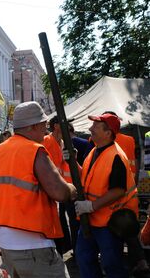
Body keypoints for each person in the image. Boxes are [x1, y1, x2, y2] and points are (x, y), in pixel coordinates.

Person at [0, 101, 76, 278]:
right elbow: (59, 192)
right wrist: (72, 189)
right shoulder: (35, 150)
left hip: (7, 240)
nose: (45, 129)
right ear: (32, 126)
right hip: (32, 242)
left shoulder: (1, 149)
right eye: (43, 125)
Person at [74, 113, 140, 278]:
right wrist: (73, 162)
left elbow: (118, 190)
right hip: (90, 219)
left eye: (96, 126)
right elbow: (88, 177)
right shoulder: (95, 151)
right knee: (84, 259)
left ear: (108, 133)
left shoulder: (116, 156)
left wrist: (90, 206)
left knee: (112, 266)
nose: (90, 128)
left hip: (107, 223)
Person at [43, 116, 77, 256]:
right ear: (56, 126)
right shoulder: (46, 141)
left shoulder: (62, 143)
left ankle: (66, 247)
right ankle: (58, 250)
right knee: (56, 220)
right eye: (66, 125)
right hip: (51, 189)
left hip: (62, 188)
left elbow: (62, 166)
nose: (68, 128)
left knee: (66, 220)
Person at [102, 111, 138, 182]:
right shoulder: (130, 139)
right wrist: (136, 176)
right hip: (130, 178)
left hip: (109, 181)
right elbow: (135, 159)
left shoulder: (99, 140)